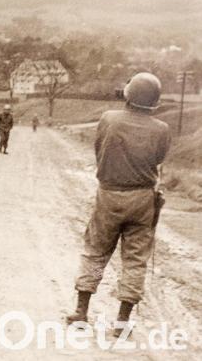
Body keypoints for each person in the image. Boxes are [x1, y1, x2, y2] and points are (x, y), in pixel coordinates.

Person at [67, 72, 171, 337]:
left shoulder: (108, 119)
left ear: (128, 94)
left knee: (95, 250)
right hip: (143, 199)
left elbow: (99, 149)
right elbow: (159, 158)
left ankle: (81, 312)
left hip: (110, 195)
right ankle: (122, 323)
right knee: (136, 260)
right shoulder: (162, 129)